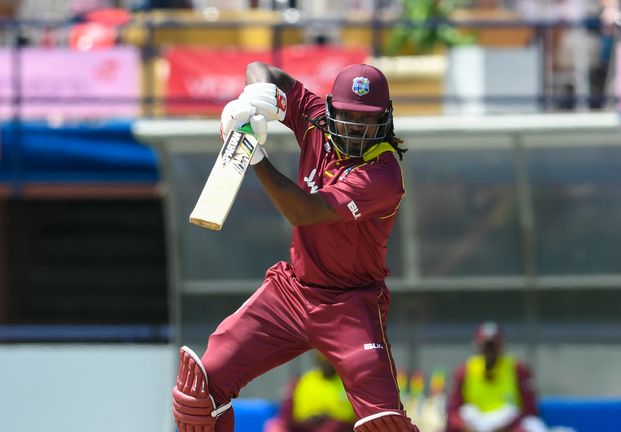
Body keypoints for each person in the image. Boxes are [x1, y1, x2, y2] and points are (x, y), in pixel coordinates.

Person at [171, 62, 418, 432]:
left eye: (366, 119)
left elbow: (306, 212)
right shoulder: (315, 118)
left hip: (350, 305)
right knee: (199, 392)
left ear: (385, 118)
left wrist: (253, 154)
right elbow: (261, 69)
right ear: (331, 109)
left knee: (384, 423)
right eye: (348, 116)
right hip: (291, 293)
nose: (356, 127)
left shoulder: (382, 175)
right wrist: (255, 98)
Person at [445, 322, 548, 432]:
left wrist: (506, 426)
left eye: (493, 345)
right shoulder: (464, 370)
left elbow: (530, 410)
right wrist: (465, 426)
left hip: (509, 423)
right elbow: (454, 411)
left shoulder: (517, 369)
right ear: (477, 345)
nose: (490, 351)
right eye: (486, 345)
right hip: (474, 424)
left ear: (502, 345)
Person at [266, 351, 356, 432]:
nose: (326, 360)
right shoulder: (301, 383)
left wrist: (331, 420)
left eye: (329, 356)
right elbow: (284, 420)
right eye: (321, 355)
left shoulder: (351, 384)